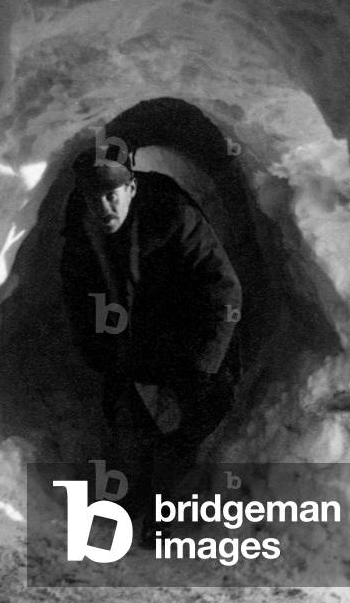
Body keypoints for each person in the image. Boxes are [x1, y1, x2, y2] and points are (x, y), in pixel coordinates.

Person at [59, 141, 242, 547]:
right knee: (131, 416)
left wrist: (203, 364)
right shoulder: (82, 225)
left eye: (112, 195)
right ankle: (136, 493)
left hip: (190, 331)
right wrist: (97, 352)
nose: (104, 207)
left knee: (189, 418)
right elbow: (77, 292)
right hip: (131, 332)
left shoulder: (173, 215)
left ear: (131, 188)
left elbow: (223, 291)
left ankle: (163, 508)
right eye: (94, 198)